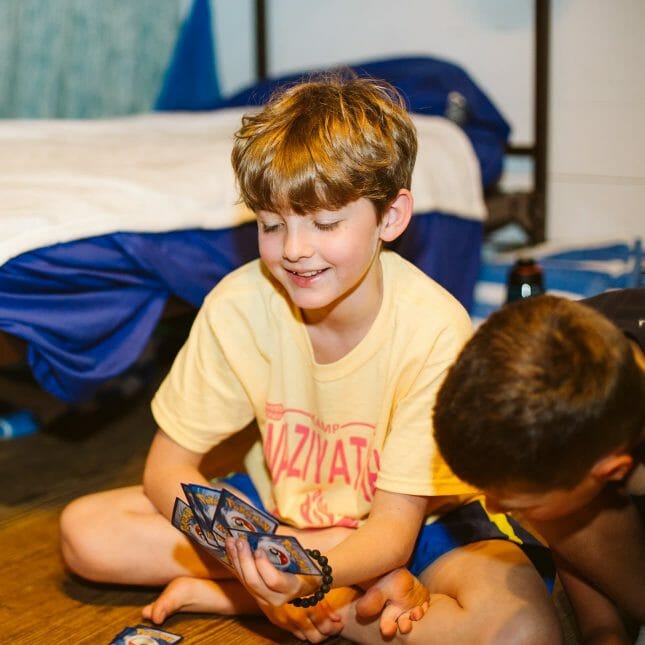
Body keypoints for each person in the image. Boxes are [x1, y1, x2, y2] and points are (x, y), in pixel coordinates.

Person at [59, 74, 561, 644]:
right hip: (278, 518)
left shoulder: (434, 328)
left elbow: (395, 532)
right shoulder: (238, 304)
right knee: (84, 533)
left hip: (418, 524)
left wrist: (309, 575)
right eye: (272, 226)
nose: (295, 250)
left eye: (325, 224)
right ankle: (321, 598)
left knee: (522, 631)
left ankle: (295, 600)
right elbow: (165, 470)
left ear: (390, 219)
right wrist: (257, 561)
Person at [427, 290, 644, 643]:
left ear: (612, 469)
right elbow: (572, 512)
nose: (492, 508)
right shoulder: (560, 343)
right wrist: (603, 631)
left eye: (519, 506)